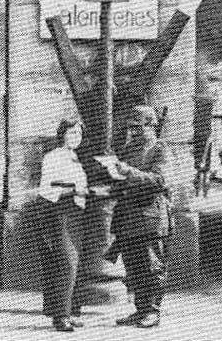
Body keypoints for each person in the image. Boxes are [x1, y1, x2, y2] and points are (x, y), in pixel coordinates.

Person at [105, 104, 174, 329]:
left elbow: (159, 181)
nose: (133, 132)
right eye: (131, 128)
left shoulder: (159, 149)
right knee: (133, 267)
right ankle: (140, 310)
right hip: (128, 218)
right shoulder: (128, 149)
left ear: (151, 125)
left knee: (151, 267)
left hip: (150, 217)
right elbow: (123, 178)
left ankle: (153, 311)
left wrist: (126, 172)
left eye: (138, 128)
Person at [36, 120, 88, 333]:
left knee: (73, 263)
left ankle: (68, 311)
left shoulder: (76, 158)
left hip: (75, 213)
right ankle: (61, 316)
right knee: (66, 262)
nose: (76, 136)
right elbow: (48, 188)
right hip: (57, 212)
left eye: (79, 133)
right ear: (62, 135)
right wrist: (75, 190)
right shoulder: (53, 156)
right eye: (71, 132)